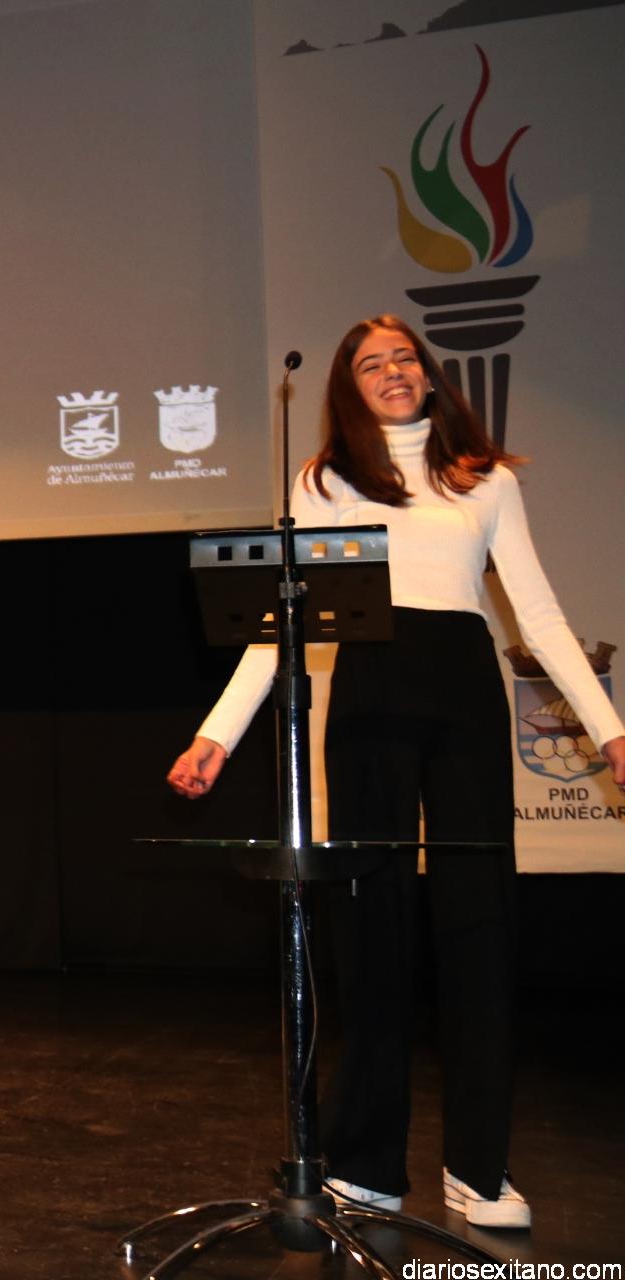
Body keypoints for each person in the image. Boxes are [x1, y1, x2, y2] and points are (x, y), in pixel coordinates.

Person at [167, 316, 625, 1230]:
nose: (391, 372)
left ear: (429, 373)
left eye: (404, 357)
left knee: (480, 923)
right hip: (370, 688)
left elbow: (536, 613)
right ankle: (367, 1163)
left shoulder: (485, 479)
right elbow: (282, 621)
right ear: (351, 386)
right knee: (372, 927)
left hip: (463, 689)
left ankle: (479, 1170)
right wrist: (217, 733)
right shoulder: (325, 480)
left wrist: (611, 732)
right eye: (371, 364)